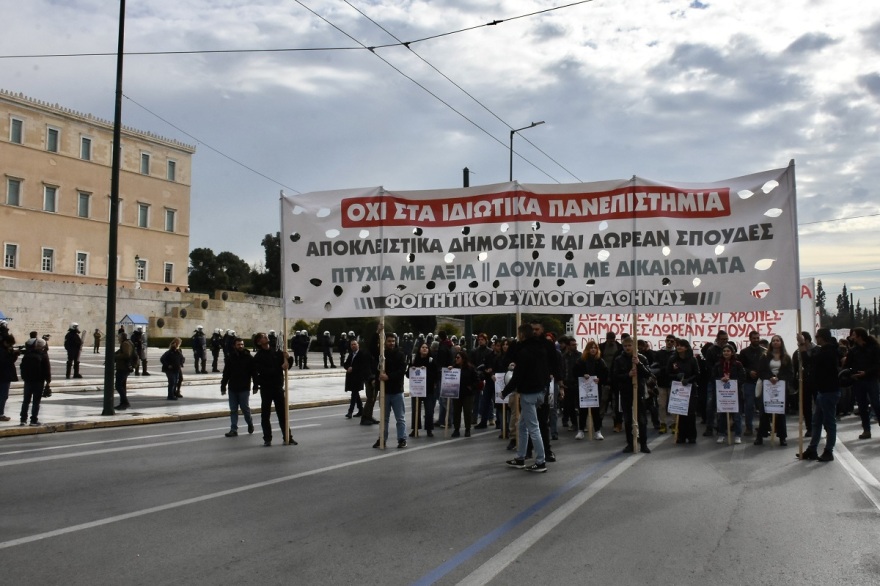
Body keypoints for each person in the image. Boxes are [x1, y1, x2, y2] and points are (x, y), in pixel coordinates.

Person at [502, 323, 549, 473]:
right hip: (540, 390)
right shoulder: (541, 348)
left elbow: (518, 375)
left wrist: (505, 391)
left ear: (522, 335)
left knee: (533, 428)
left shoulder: (524, 352)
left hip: (528, 392)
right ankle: (520, 457)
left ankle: (541, 461)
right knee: (522, 426)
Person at [797, 328, 841, 461]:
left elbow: (809, 361)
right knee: (816, 422)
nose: (816, 338)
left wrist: (801, 344)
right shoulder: (825, 350)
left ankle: (828, 451)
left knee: (829, 422)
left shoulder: (829, 351)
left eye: (817, 336)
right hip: (822, 391)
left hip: (829, 391)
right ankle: (812, 449)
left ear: (822, 337)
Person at [252, 331, 294, 447]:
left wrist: (288, 358)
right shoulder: (258, 357)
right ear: (259, 342)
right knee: (265, 415)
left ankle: (288, 437)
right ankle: (267, 438)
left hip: (278, 387)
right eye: (263, 337)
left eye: (265, 336)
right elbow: (264, 372)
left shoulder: (276, 351)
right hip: (266, 388)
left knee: (283, 414)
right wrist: (279, 368)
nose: (266, 337)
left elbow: (287, 366)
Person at [613, 336, 653, 453]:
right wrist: (628, 375)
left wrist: (639, 364)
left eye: (629, 345)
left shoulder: (641, 358)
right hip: (625, 392)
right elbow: (615, 376)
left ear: (634, 346)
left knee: (641, 419)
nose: (627, 348)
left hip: (639, 391)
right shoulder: (619, 359)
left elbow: (648, 374)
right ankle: (630, 444)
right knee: (628, 419)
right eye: (625, 346)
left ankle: (644, 444)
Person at [755, 334, 792, 446]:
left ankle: (782, 437)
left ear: (781, 342)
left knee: (780, 412)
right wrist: (770, 377)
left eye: (777, 340)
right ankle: (760, 436)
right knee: (764, 411)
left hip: (780, 387)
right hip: (767, 385)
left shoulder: (786, 357)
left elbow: (789, 373)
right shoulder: (765, 356)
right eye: (773, 340)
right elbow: (761, 371)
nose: (775, 342)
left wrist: (778, 378)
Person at [373, 329, 408, 448]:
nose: (391, 343)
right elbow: (370, 348)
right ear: (385, 342)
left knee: (400, 418)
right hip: (384, 391)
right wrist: (378, 332)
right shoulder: (381, 354)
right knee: (384, 418)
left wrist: (389, 377)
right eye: (389, 341)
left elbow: (401, 371)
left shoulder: (400, 354)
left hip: (397, 391)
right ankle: (382, 438)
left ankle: (402, 439)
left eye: (393, 341)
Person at [846, 327, 880, 440]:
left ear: (860, 336)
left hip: (871, 379)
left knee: (876, 404)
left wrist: (866, 373)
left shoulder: (874, 348)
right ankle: (866, 430)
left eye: (854, 335)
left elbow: (877, 365)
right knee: (862, 406)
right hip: (858, 381)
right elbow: (847, 366)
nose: (852, 337)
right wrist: (851, 374)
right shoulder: (853, 350)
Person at [572, 340, 609, 440]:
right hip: (583, 389)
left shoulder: (600, 361)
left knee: (595, 411)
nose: (593, 350)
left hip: (596, 389)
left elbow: (606, 374)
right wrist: (583, 375)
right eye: (591, 348)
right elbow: (575, 373)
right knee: (583, 410)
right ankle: (581, 430)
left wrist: (600, 379)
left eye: (595, 348)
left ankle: (597, 431)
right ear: (587, 349)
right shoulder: (581, 361)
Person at [701, 330, 736, 437]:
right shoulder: (711, 350)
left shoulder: (731, 348)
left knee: (726, 404)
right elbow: (709, 366)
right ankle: (709, 427)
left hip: (728, 381)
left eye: (726, 339)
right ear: (717, 339)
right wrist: (718, 375)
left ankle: (723, 427)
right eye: (723, 339)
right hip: (714, 380)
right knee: (710, 405)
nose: (725, 341)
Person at [667, 339, 700, 443]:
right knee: (680, 413)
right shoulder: (673, 359)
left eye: (682, 345)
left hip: (690, 389)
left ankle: (691, 436)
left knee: (690, 413)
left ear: (686, 347)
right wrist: (676, 376)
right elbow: (667, 374)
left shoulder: (692, 359)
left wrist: (688, 380)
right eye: (678, 345)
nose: (679, 347)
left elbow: (697, 374)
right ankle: (681, 436)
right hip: (678, 389)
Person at [220, 337, 255, 437]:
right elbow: (226, 373)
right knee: (233, 410)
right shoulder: (230, 357)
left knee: (245, 409)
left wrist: (256, 385)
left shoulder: (248, 357)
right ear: (234, 346)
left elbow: (253, 373)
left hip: (244, 388)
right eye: (239, 344)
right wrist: (223, 386)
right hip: (233, 388)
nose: (241, 346)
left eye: (242, 344)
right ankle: (233, 429)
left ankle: (250, 423)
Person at [713, 345, 746, 444]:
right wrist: (720, 379)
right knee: (721, 415)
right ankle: (722, 434)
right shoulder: (718, 364)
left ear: (732, 352)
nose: (726, 353)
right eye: (724, 351)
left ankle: (737, 435)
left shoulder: (738, 364)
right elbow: (713, 377)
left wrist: (732, 382)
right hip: (722, 395)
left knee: (737, 415)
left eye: (728, 351)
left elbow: (743, 377)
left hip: (735, 393)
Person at [738, 330, 766, 436]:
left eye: (758, 338)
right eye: (754, 338)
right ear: (750, 339)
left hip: (761, 382)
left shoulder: (764, 351)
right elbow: (741, 367)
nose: (756, 340)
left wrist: (760, 373)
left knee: (762, 406)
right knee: (749, 406)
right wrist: (749, 372)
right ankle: (749, 427)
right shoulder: (744, 352)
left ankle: (763, 427)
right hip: (749, 382)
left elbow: (766, 366)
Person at [19, 338, 51, 426]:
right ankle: (33, 420)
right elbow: (47, 370)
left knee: (26, 401)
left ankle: (23, 419)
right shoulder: (43, 356)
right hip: (39, 381)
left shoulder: (27, 355)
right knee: (36, 401)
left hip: (28, 381)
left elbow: (22, 367)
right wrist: (48, 381)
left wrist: (24, 378)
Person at [448, 350, 479, 438]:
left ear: (463, 359)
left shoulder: (470, 368)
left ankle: (467, 429)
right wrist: (449, 370)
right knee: (456, 412)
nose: (456, 359)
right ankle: (456, 429)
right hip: (457, 393)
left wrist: (471, 387)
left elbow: (477, 380)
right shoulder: (454, 368)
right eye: (456, 357)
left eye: (458, 357)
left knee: (467, 412)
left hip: (467, 394)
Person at [408, 342, 437, 437]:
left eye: (426, 347)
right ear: (419, 349)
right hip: (416, 389)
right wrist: (412, 369)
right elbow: (408, 374)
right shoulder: (414, 360)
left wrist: (426, 370)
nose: (424, 349)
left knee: (429, 410)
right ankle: (415, 429)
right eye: (422, 347)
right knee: (415, 410)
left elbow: (435, 374)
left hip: (428, 390)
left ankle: (429, 429)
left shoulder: (431, 360)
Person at [599, 331, 624, 433]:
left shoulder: (619, 347)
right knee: (603, 400)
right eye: (609, 339)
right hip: (604, 377)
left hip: (616, 378)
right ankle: (599, 421)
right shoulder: (601, 346)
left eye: (612, 339)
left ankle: (617, 423)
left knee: (615, 402)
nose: (611, 341)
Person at [652, 335, 677, 434]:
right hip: (661, 382)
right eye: (668, 341)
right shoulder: (659, 353)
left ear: (674, 342)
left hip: (673, 383)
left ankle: (674, 424)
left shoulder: (676, 353)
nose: (670, 343)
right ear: (665, 341)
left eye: (672, 341)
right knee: (661, 405)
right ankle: (663, 424)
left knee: (673, 405)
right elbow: (655, 366)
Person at [343, 338, 372, 420]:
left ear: (358, 345)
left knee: (354, 394)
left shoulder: (362, 354)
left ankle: (350, 411)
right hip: (351, 377)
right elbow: (346, 363)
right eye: (352, 344)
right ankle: (361, 409)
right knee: (355, 394)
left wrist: (353, 368)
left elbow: (363, 365)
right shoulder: (351, 354)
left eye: (354, 344)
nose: (353, 346)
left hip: (358, 377)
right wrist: (348, 367)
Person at [0, 333, 21, 421]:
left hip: (4, 376)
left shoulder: (4, 350)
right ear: (5, 342)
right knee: (3, 396)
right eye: (10, 344)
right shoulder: (2, 351)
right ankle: (0, 414)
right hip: (3, 377)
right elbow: (6, 363)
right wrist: (14, 355)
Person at [114, 331, 134, 410]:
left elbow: (126, 354)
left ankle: (125, 402)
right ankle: (123, 403)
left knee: (118, 385)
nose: (118, 339)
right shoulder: (127, 343)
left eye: (118, 337)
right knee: (122, 386)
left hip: (123, 368)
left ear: (122, 337)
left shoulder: (125, 344)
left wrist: (116, 356)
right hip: (124, 367)